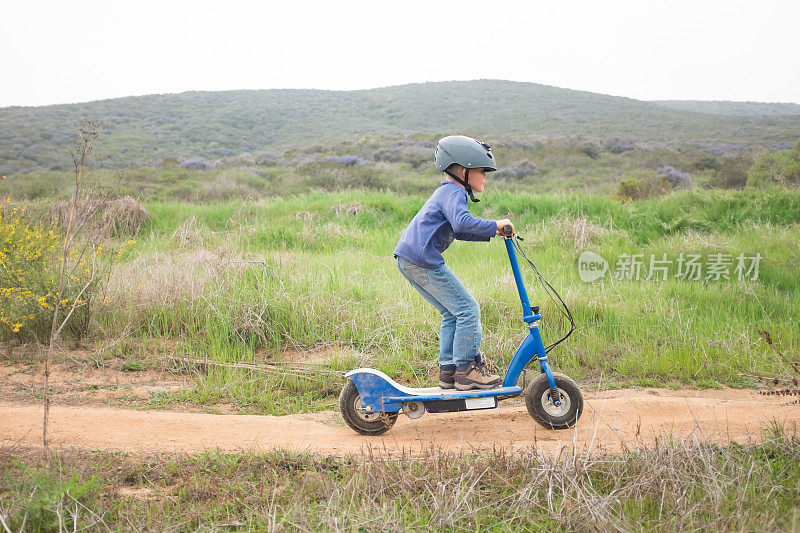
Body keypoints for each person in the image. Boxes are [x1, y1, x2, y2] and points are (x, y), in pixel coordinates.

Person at [393, 135, 514, 391]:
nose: (485, 177)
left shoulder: (447, 192)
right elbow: (461, 222)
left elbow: (458, 230)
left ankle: (448, 371)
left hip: (409, 259)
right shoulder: (453, 192)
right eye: (482, 171)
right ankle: (466, 371)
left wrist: (493, 232)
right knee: (468, 309)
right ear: (463, 170)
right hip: (422, 260)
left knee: (452, 313)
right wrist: (495, 224)